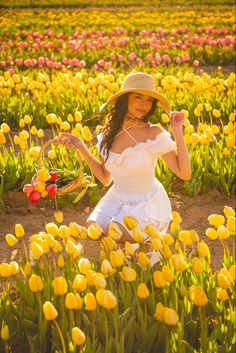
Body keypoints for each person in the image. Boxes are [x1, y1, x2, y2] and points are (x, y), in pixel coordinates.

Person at [57, 72, 191, 247]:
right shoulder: (108, 134)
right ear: (125, 99)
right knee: (92, 228)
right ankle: (123, 262)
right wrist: (81, 147)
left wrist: (177, 132)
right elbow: (105, 179)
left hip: (147, 201)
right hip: (117, 198)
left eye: (149, 100)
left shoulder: (154, 133)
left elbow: (185, 174)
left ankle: (138, 259)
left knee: (117, 231)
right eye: (138, 97)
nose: (144, 104)